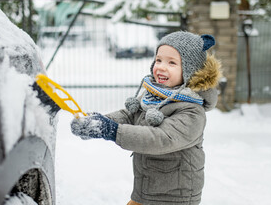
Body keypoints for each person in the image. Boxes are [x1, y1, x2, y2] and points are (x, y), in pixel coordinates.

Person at [70, 31, 222, 205]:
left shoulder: (192, 111)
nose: (161, 67)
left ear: (190, 70)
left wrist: (111, 131)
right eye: (158, 60)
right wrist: (99, 123)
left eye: (172, 62)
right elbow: (129, 115)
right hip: (146, 190)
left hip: (175, 197)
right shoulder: (154, 95)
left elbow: (161, 139)